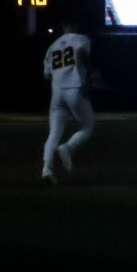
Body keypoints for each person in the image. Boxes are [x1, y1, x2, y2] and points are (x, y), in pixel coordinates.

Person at [40, 21, 95, 183]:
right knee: (87, 127)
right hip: (75, 88)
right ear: (76, 25)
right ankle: (67, 148)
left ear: (63, 26)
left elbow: (47, 76)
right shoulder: (81, 38)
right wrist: (88, 75)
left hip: (57, 93)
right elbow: (79, 54)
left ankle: (47, 169)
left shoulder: (52, 46)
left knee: (54, 134)